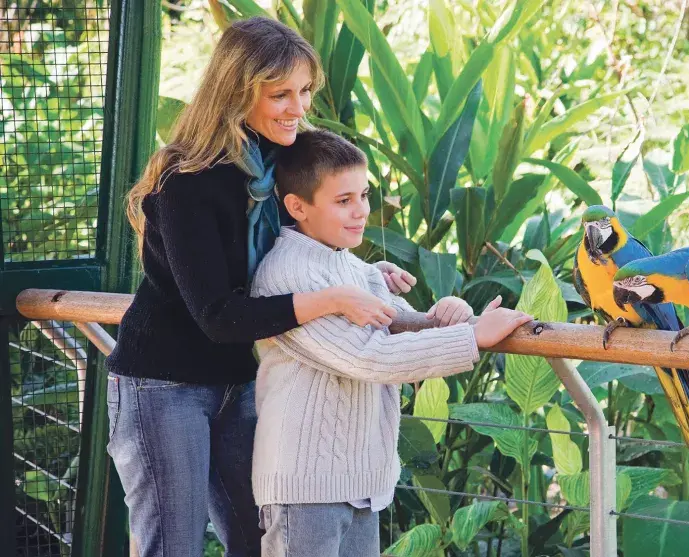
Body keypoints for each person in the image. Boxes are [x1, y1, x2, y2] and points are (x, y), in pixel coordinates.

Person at [103, 17, 412, 557]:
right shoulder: (188, 181)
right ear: (236, 92)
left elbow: (305, 250)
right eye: (281, 95)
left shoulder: (283, 165)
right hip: (163, 385)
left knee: (258, 543)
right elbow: (219, 315)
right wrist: (337, 298)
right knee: (172, 546)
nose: (298, 108)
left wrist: (363, 275)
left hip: (239, 383)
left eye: (305, 91)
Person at [250, 129, 534, 557]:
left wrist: (450, 316)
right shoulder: (289, 272)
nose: (361, 211)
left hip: (360, 485)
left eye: (363, 195)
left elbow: (395, 326)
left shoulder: (355, 268)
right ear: (297, 206)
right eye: (343, 201)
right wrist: (472, 337)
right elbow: (372, 357)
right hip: (304, 487)